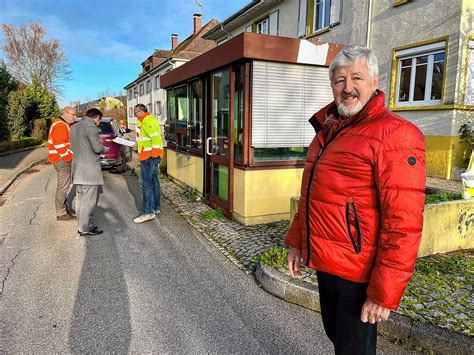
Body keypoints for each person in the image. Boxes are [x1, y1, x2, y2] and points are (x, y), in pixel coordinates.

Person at [285, 45, 426, 354]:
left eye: (356, 78)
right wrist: (298, 243)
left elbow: (403, 223)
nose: (347, 88)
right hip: (327, 262)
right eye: (339, 80)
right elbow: (314, 196)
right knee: (338, 340)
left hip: (358, 273)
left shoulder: (395, 135)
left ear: (374, 82)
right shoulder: (330, 129)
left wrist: (383, 293)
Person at [70, 108, 106, 236]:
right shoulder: (90, 126)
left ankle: (81, 225)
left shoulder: (74, 126)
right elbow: (97, 148)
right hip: (89, 171)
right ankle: (85, 228)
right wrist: (104, 149)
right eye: (99, 120)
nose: (99, 122)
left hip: (78, 169)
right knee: (89, 201)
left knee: (80, 199)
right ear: (96, 117)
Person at [132, 103, 164, 224]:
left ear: (140, 112)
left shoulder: (146, 121)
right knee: (154, 181)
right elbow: (148, 139)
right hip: (151, 156)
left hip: (149, 157)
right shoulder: (150, 119)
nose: (135, 116)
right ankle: (155, 207)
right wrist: (138, 145)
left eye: (135, 113)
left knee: (146, 184)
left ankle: (148, 212)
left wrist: (154, 155)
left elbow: (155, 138)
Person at [48, 106, 76, 221]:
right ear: (65, 113)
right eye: (73, 114)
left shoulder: (62, 124)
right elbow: (59, 144)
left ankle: (64, 208)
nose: (75, 117)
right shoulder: (60, 125)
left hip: (60, 159)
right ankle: (61, 213)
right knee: (63, 187)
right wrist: (68, 157)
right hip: (61, 159)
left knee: (64, 185)